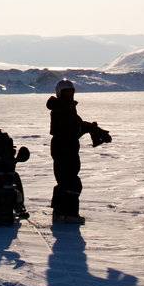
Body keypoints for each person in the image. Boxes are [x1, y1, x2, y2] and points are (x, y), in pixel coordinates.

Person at [45, 79, 109, 224]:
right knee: (69, 181)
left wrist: (93, 129)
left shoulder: (67, 107)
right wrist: (89, 129)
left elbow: (76, 125)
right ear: (59, 93)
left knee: (68, 181)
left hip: (69, 147)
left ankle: (62, 212)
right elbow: (71, 128)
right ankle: (65, 213)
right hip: (63, 147)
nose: (69, 94)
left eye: (71, 91)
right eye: (66, 92)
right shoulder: (61, 108)